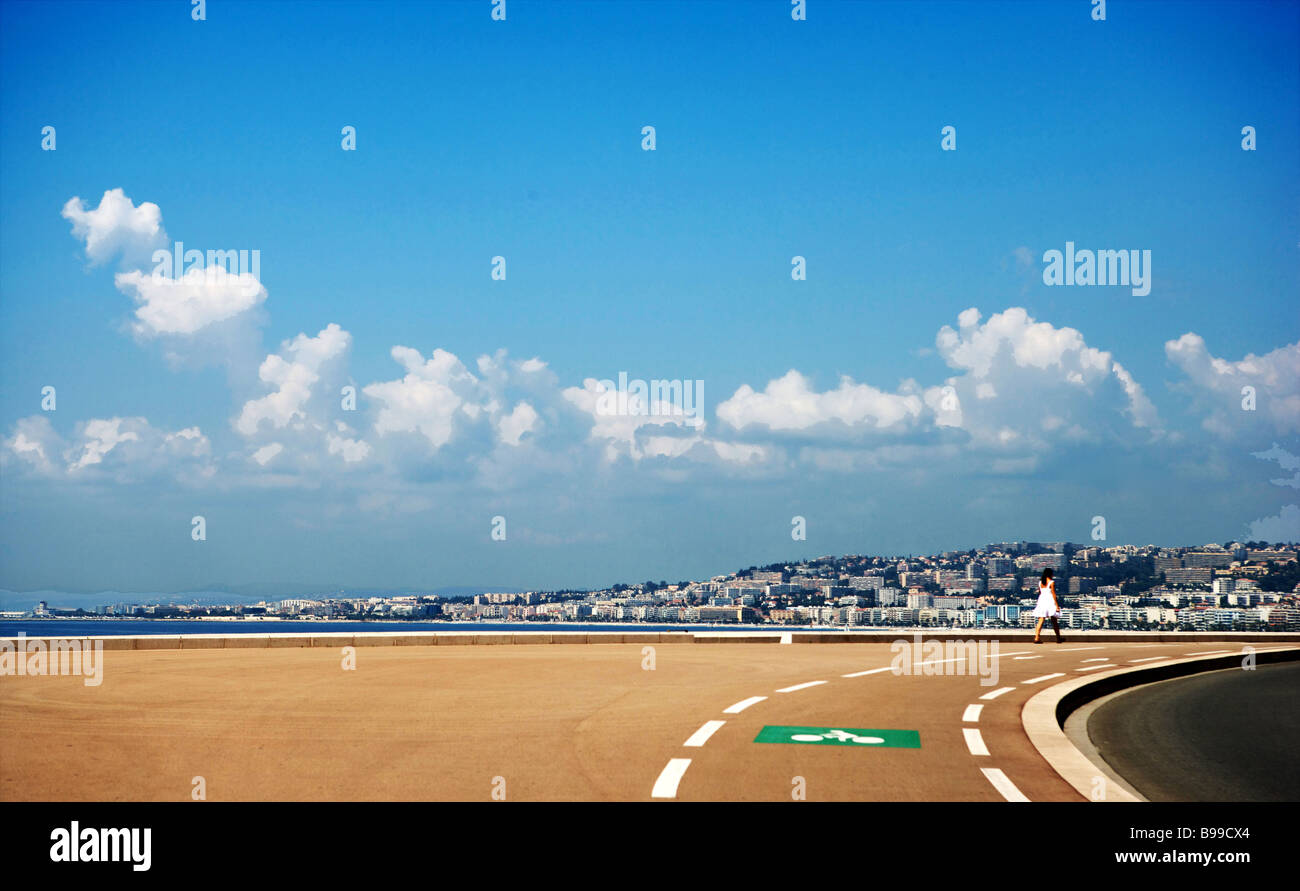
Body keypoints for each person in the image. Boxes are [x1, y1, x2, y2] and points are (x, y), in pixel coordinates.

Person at [1031, 567, 1062, 643]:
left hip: (1042, 600)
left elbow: (1040, 592)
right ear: (1050, 574)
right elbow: (1054, 594)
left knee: (1041, 620)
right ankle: (1058, 638)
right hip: (1050, 601)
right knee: (1054, 620)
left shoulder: (1040, 582)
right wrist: (1057, 605)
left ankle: (1037, 637)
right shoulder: (1051, 582)